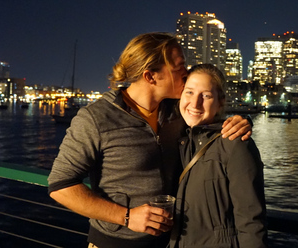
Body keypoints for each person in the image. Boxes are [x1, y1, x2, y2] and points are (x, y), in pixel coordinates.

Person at [48, 33, 252, 248]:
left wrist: (240, 121)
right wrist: (126, 217)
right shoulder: (97, 118)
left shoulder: (177, 111)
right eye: (179, 67)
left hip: (172, 242)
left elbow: (209, 120)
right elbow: (61, 185)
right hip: (114, 243)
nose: (187, 72)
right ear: (150, 77)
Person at [170, 64, 268, 248]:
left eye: (205, 96)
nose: (195, 103)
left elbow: (251, 220)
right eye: (189, 92)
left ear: (220, 101)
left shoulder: (235, 143)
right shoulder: (181, 139)